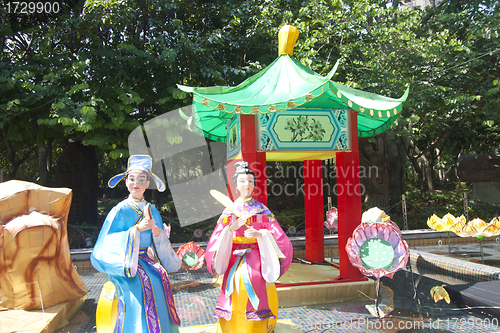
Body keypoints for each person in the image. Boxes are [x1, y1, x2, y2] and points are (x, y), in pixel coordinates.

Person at [91, 155, 181, 333]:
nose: (136, 183)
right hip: (126, 262)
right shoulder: (120, 210)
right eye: (131, 179)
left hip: (144, 259)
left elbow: (158, 239)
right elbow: (107, 240)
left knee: (159, 276)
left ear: (148, 183)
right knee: (142, 282)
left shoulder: (152, 208)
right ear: (126, 182)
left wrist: (157, 233)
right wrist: (136, 230)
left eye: (141, 179)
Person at [205, 161, 293, 333]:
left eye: (251, 181)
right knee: (235, 284)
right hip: (234, 258)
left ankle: (258, 327)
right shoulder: (229, 212)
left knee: (254, 278)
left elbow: (279, 237)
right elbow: (217, 237)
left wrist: (261, 236)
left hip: (257, 258)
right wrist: (231, 228)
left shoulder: (262, 211)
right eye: (243, 181)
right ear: (236, 185)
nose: (248, 185)